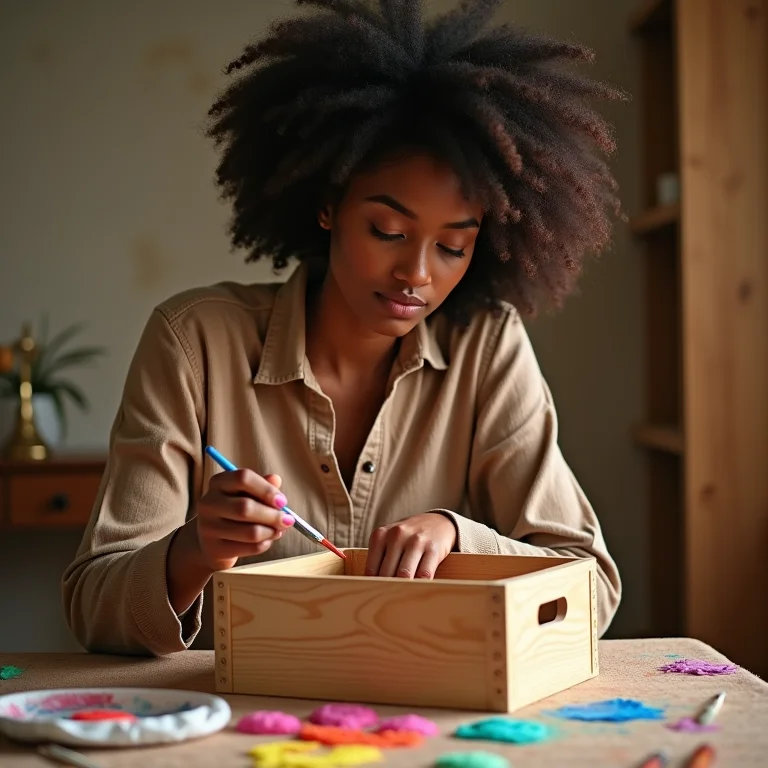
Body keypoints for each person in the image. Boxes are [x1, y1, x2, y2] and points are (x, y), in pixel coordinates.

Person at [63, 0, 625, 656]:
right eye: (387, 230)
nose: (416, 272)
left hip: (427, 721)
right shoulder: (195, 342)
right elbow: (92, 605)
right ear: (329, 206)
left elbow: (590, 590)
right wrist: (194, 551)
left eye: (452, 245)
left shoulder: (486, 346)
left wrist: (456, 534)